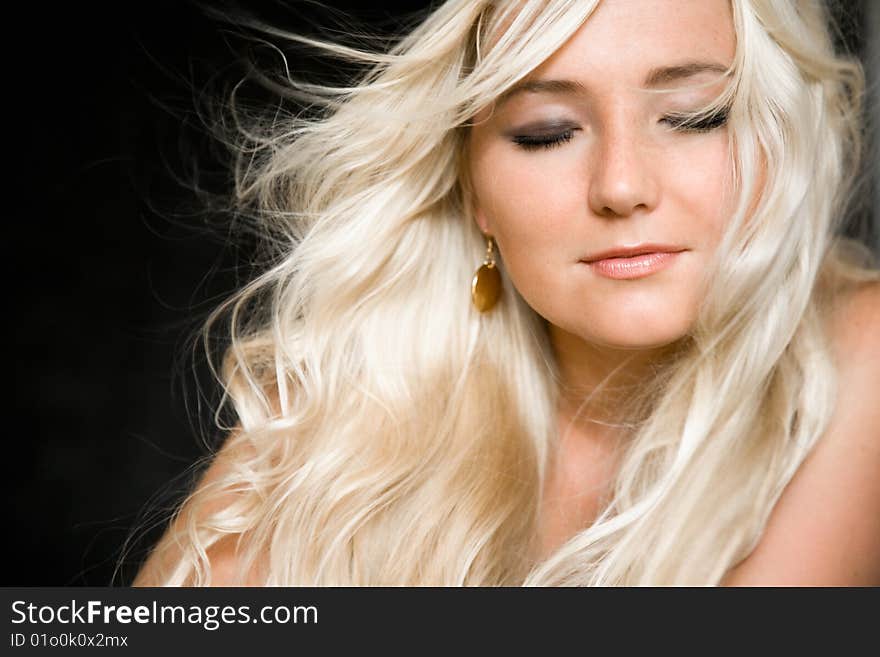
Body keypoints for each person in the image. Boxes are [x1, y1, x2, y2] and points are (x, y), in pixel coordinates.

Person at [131, 0, 880, 586]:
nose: (621, 185)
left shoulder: (860, 352)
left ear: (780, 138)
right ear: (473, 190)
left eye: (694, 116)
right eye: (547, 132)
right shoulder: (363, 388)